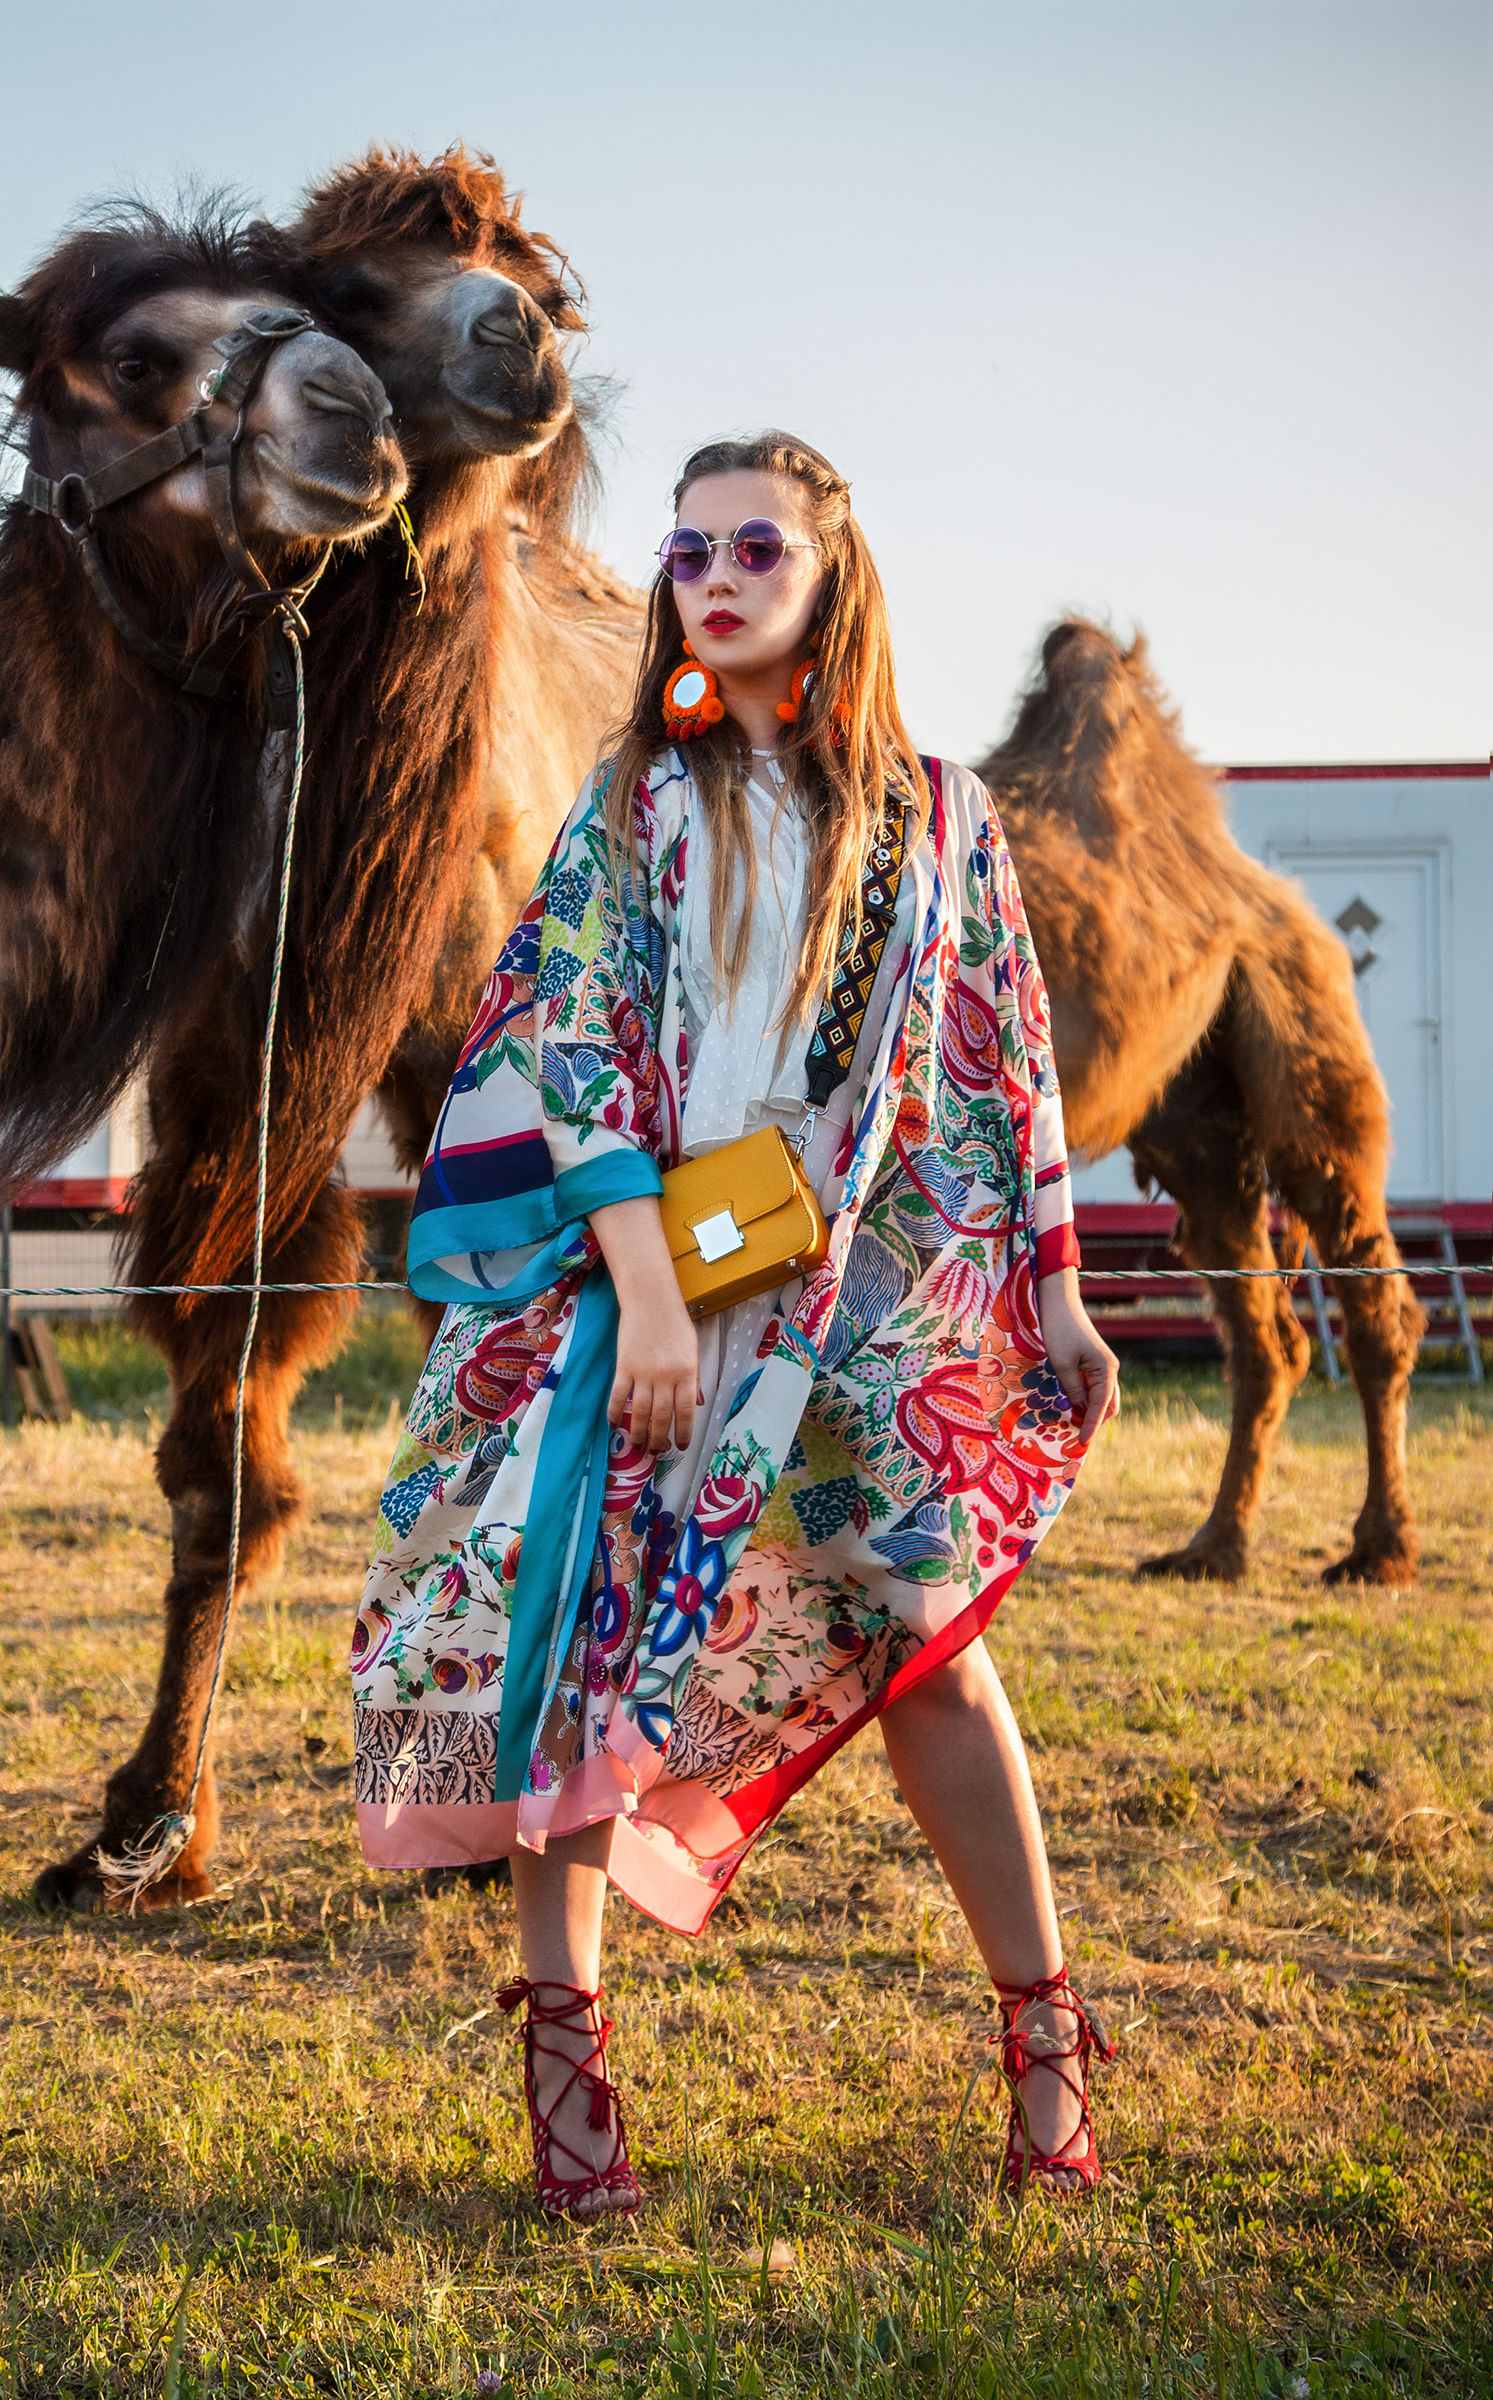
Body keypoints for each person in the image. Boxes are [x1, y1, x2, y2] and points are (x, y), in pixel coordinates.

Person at [351, 433, 1122, 2219]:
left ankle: (1050, 2049)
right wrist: (641, 1293)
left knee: (926, 1645)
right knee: (561, 1647)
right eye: (687, 548)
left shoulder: (944, 816)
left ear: (830, 572)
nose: (711, 572)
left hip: (856, 1313)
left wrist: (1061, 1288)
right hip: (643, 1295)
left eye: (753, 544)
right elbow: (569, 1046)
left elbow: (1006, 1068)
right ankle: (564, 2077)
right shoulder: (631, 809)